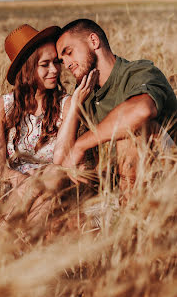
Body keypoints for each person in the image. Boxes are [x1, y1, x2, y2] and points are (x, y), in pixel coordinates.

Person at [0, 23, 97, 224]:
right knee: (44, 193)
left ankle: (8, 240)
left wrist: (74, 108)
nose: (55, 70)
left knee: (54, 174)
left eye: (56, 62)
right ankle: (20, 241)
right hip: (17, 189)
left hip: (58, 185)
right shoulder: (0, 108)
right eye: (45, 64)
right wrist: (27, 184)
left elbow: (61, 161)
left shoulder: (67, 104)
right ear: (27, 69)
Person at [56, 19, 177, 196]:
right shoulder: (84, 91)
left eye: (69, 53)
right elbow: (62, 160)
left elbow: (142, 110)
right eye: (62, 60)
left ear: (94, 41)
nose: (67, 64)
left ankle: (129, 215)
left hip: (166, 175)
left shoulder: (139, 72)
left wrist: (80, 145)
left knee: (131, 131)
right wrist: (75, 106)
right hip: (115, 182)